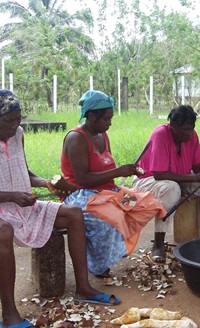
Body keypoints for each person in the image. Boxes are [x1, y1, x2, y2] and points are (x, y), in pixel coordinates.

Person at [0, 90, 120, 328]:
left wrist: (47, 183)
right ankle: (10, 314)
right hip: (3, 210)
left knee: (74, 214)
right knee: (3, 231)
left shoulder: (18, 134)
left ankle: (83, 288)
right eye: (8, 121)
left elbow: (24, 171)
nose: (15, 125)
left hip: (21, 206)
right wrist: (13, 195)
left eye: (18, 119)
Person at [131, 105, 200, 263]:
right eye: (184, 130)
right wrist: (196, 178)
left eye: (191, 129)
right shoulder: (160, 134)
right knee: (171, 188)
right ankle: (158, 244)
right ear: (173, 126)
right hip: (147, 180)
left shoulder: (192, 136)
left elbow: (197, 166)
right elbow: (159, 174)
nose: (189, 133)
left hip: (178, 178)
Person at [61, 90, 143, 277]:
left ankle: (115, 249)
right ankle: (99, 265)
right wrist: (118, 171)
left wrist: (126, 171)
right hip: (80, 194)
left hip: (106, 191)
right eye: (106, 119)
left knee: (140, 204)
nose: (109, 123)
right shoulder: (76, 138)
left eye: (110, 118)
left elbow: (108, 170)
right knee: (106, 218)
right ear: (91, 115)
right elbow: (82, 179)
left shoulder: (102, 134)